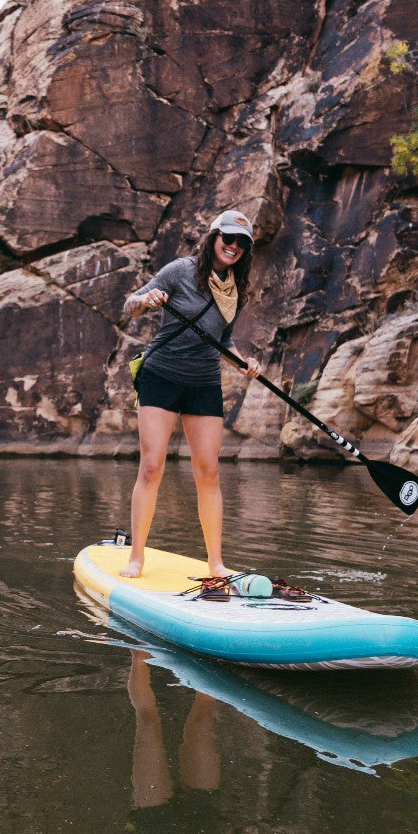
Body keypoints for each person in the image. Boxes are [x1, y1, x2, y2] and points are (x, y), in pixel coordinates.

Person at [119, 210, 261, 584]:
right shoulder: (179, 270)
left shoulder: (236, 289)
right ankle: (136, 558)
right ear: (213, 237)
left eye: (242, 243)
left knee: (209, 471)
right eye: (227, 238)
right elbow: (128, 305)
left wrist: (242, 362)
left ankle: (216, 564)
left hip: (203, 381)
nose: (233, 246)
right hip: (161, 375)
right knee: (152, 465)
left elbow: (222, 340)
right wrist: (147, 299)